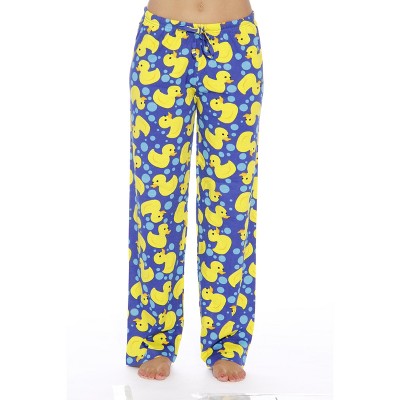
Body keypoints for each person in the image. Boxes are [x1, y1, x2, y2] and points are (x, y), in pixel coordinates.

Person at [126, 0, 264, 382]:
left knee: (232, 204)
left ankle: (227, 343)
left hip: (235, 43)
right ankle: (154, 339)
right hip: (162, 41)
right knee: (155, 201)